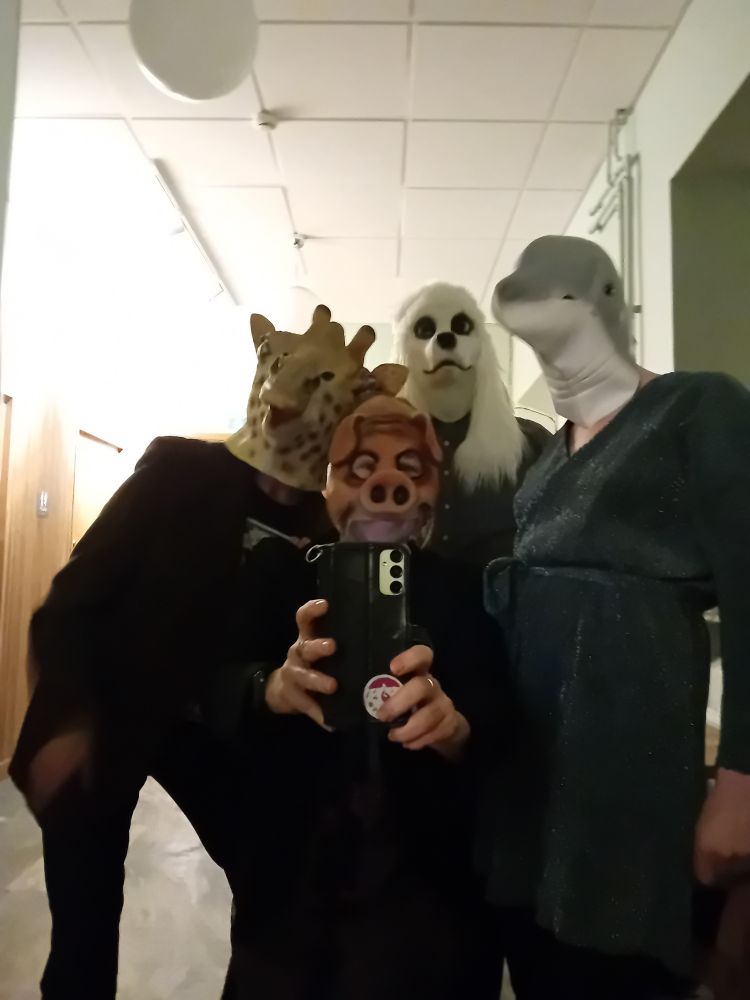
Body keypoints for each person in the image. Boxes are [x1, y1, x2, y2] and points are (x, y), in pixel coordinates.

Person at [9, 305, 379, 999]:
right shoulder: (179, 472)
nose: (286, 400)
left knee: (274, 884)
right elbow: (73, 600)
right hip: (115, 706)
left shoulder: (321, 521)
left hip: (213, 720)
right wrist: (68, 719)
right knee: (83, 934)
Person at [479, 234, 750, 999]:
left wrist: (741, 783)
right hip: (528, 777)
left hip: (630, 769)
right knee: (539, 964)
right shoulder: (552, 450)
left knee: (618, 967)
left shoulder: (699, 408)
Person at [218, 388, 507, 1000]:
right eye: (360, 467)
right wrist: (270, 687)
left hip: (427, 900)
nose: (386, 486)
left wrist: (455, 729)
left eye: (411, 468)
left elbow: (502, 718)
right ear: (327, 487)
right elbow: (212, 684)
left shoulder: (464, 589)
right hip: (291, 894)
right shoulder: (278, 574)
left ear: (434, 490)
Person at [392, 281, 550, 568]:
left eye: (461, 326)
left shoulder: (535, 445)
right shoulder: (383, 452)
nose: (444, 337)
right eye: (425, 330)